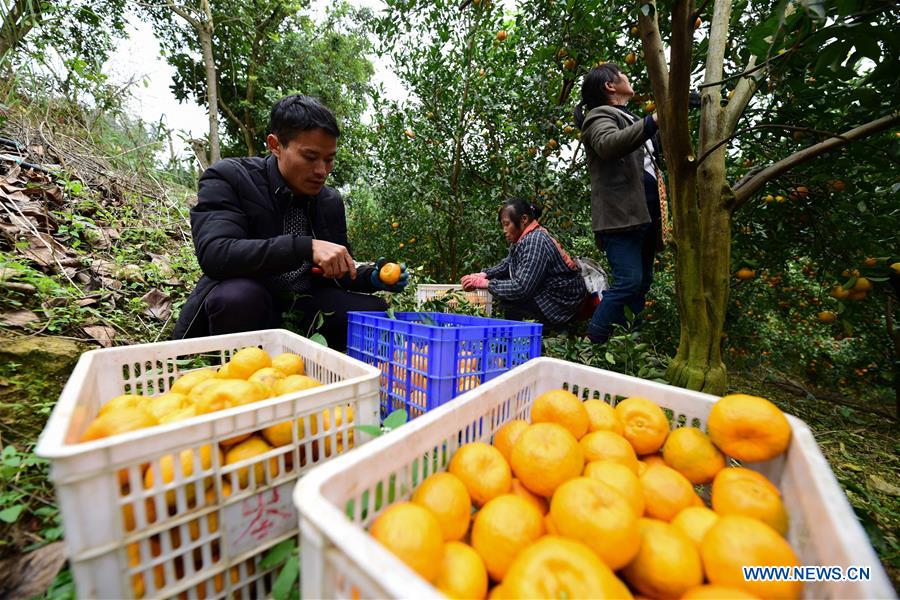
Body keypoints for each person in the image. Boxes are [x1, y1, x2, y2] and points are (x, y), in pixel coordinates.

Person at [172, 94, 407, 350]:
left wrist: (372, 278)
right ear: (275, 145)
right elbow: (216, 253)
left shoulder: (328, 201)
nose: (321, 170)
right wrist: (304, 247)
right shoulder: (231, 178)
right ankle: (235, 373)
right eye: (310, 157)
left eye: (329, 159)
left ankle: (338, 377)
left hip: (304, 305)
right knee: (239, 298)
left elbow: (337, 270)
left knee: (373, 311)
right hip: (253, 302)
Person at [574, 63, 665, 344]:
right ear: (609, 86)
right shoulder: (599, 116)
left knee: (642, 283)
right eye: (622, 75)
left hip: (646, 214)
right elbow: (608, 145)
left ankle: (628, 345)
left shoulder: (630, 117)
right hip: (621, 216)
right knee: (628, 281)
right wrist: (654, 121)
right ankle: (592, 341)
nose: (628, 77)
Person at [460, 199, 587, 326]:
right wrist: (484, 274)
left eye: (506, 224)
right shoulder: (522, 238)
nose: (504, 230)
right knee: (503, 283)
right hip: (545, 289)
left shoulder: (535, 240)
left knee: (508, 304)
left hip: (560, 302)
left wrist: (487, 284)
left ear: (524, 219)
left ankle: (539, 332)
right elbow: (508, 264)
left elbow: (521, 288)